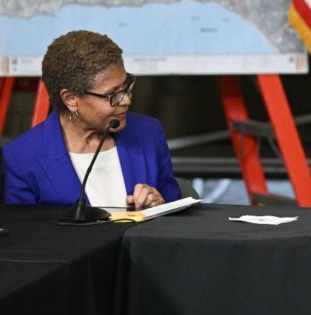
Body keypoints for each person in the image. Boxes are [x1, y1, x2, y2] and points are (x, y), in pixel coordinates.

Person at [3, 30, 181, 209]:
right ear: (71, 99)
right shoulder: (22, 157)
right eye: (112, 94)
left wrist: (160, 204)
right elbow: (25, 232)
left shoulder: (148, 133)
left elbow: (178, 216)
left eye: (126, 86)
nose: (126, 100)